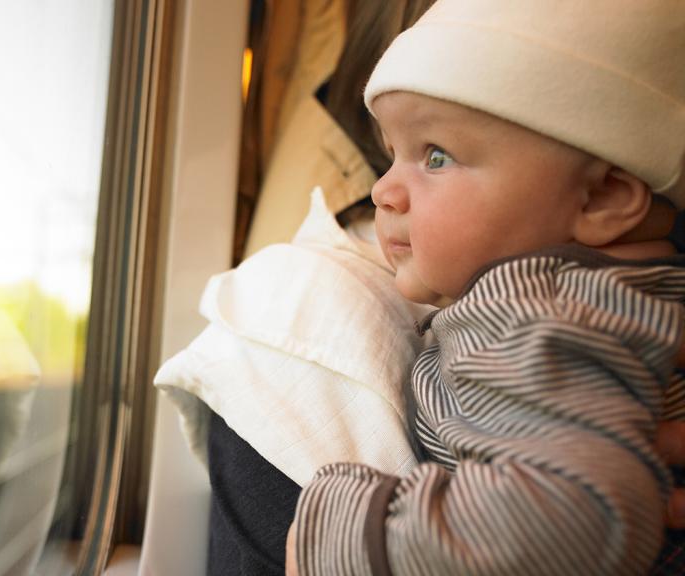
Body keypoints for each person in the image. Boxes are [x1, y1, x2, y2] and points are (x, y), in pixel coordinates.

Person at [286, 0, 685, 574]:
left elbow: (566, 522)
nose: (383, 191)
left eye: (436, 156)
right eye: (391, 155)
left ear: (601, 199)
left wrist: (349, 533)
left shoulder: (533, 312)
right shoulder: (621, 300)